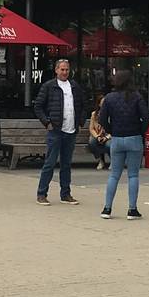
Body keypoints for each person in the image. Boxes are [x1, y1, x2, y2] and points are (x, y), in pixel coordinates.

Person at [33, 59, 87, 205]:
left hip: (71, 130)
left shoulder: (74, 86)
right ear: (56, 70)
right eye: (62, 69)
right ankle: (41, 194)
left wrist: (80, 122)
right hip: (55, 130)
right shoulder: (49, 86)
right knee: (50, 163)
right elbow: (38, 106)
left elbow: (84, 105)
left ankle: (65, 194)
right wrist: (47, 122)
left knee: (66, 164)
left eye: (67, 70)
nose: (64, 72)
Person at [98, 70, 149, 220]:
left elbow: (102, 119)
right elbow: (146, 117)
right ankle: (132, 209)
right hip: (134, 137)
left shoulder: (109, 98)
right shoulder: (137, 97)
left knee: (114, 175)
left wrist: (111, 130)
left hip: (117, 138)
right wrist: (140, 131)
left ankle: (107, 208)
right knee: (133, 175)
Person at [87, 95, 110, 170]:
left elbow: (114, 129)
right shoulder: (94, 114)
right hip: (98, 134)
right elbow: (91, 129)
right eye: (102, 103)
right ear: (99, 104)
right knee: (92, 142)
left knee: (109, 145)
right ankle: (101, 160)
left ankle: (113, 160)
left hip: (108, 136)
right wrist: (97, 136)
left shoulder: (111, 114)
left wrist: (106, 137)